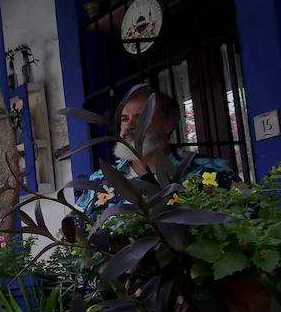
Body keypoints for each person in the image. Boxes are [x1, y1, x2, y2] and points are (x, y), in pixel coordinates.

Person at [75, 84, 238, 224]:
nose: (129, 126)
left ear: (167, 126)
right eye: (124, 119)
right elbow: (77, 235)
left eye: (140, 118)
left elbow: (244, 220)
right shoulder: (100, 180)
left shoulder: (209, 171)